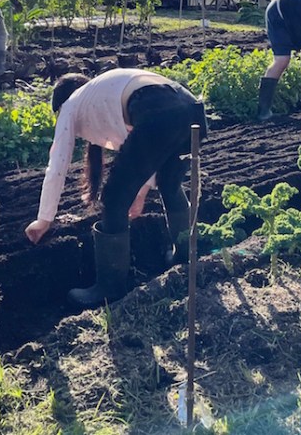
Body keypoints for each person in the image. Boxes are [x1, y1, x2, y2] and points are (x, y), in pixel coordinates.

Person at [25, 69, 208, 307]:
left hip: (158, 111)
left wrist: (44, 219)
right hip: (191, 109)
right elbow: (146, 154)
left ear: (60, 104)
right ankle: (186, 256)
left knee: (113, 199)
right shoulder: (106, 93)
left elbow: (57, 163)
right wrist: (140, 192)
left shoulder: (72, 104)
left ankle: (109, 288)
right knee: (169, 184)